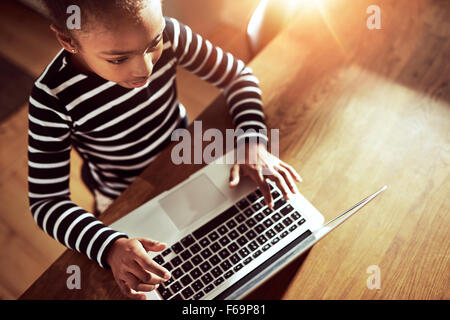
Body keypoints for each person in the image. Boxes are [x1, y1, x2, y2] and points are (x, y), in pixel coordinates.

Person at [29, 0, 302, 299]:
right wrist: (109, 246)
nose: (144, 69)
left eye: (153, 43)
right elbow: (47, 201)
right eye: (118, 59)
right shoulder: (51, 99)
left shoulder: (170, 33)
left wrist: (252, 142)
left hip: (184, 160)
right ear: (68, 40)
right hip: (123, 195)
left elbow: (238, 76)